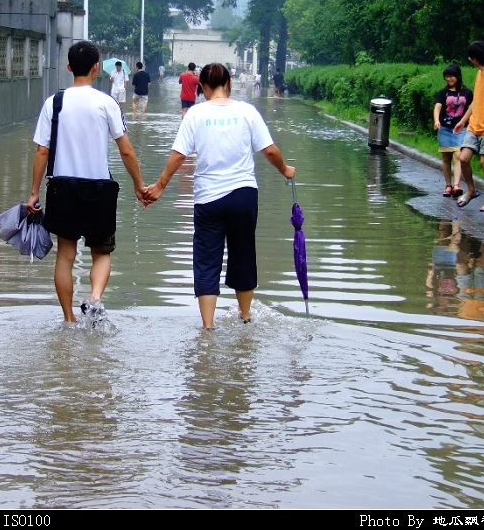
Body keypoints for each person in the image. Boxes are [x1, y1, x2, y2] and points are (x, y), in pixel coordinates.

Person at [142, 63, 296, 329]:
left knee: (206, 259)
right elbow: (269, 150)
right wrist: (285, 169)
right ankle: (246, 316)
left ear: (202, 87)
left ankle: (208, 325)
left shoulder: (195, 114)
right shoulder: (247, 111)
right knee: (243, 254)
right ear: (230, 84)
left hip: (208, 199)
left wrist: (160, 186)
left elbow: (179, 155)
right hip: (243, 196)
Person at [27, 41, 147, 325]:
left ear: (69, 67)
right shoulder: (107, 103)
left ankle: (69, 320)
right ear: (97, 68)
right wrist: (139, 185)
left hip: (62, 187)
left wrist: (33, 192)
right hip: (99, 189)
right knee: (101, 252)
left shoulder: (54, 102)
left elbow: (42, 150)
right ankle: (94, 297)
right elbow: (126, 150)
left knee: (66, 255)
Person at [455, 41, 484, 212]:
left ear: (476, 58)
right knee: (463, 159)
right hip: (474, 125)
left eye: (471, 57)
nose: (470, 60)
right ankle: (471, 190)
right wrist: (463, 120)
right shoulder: (479, 74)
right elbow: (475, 101)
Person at [433, 64, 472, 198]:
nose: (448, 79)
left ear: (458, 76)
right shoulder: (443, 93)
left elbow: (471, 109)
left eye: (451, 76)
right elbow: (438, 107)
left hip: (461, 128)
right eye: (446, 76)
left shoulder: (467, 92)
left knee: (458, 154)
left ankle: (456, 186)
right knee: (446, 157)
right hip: (445, 128)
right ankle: (448, 185)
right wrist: (436, 120)